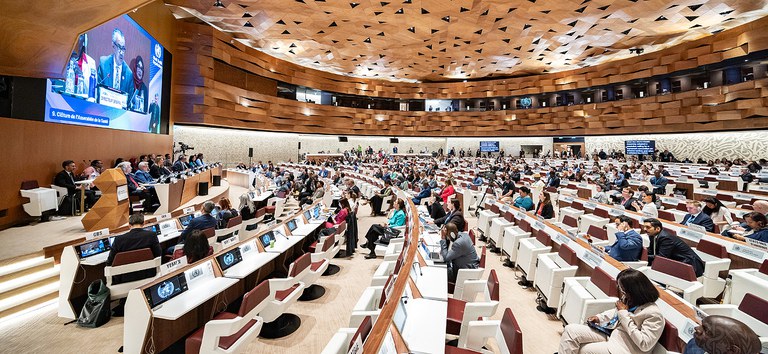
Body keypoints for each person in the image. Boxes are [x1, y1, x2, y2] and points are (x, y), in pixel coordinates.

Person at [558, 268, 663, 354]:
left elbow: (644, 344)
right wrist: (599, 317)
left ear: (634, 291)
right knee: (570, 330)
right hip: (612, 333)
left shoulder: (654, 314)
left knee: (583, 350)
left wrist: (624, 314)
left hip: (625, 348)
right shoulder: (630, 299)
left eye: (623, 289)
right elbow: (615, 313)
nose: (621, 292)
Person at [107, 213, 161, 284]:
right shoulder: (151, 235)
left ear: (129, 225)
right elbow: (158, 254)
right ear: (143, 223)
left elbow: (109, 262)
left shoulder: (118, 240)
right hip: (148, 274)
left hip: (125, 278)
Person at [682, 315, 762, 354]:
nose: (697, 329)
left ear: (733, 350)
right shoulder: (694, 344)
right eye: (701, 325)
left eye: (706, 330)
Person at [97, 28, 134, 97]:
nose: (121, 53)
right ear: (113, 46)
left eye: (123, 48)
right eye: (119, 47)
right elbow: (97, 90)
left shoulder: (129, 74)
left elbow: (129, 102)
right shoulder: (104, 64)